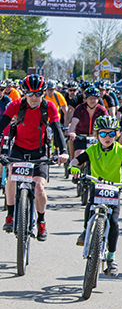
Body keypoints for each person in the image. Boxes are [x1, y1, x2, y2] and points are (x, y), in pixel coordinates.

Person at [0, 74, 69, 239]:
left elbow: (57, 129)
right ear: (23, 93)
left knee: (39, 188)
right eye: (30, 93)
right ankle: (10, 214)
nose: (34, 98)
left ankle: (41, 221)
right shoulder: (16, 105)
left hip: (39, 151)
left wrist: (64, 151)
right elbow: (2, 125)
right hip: (18, 149)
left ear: (43, 93)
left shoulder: (49, 107)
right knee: (11, 178)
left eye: (38, 94)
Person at [68, 115, 122, 275]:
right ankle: (85, 231)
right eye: (103, 134)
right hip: (97, 187)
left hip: (114, 190)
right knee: (90, 207)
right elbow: (76, 160)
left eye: (111, 134)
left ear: (116, 135)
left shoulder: (121, 151)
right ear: (97, 135)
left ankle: (111, 257)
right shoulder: (93, 149)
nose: (107, 137)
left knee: (114, 223)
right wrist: (74, 167)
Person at [68, 86, 109, 160]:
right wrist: (71, 132)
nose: (92, 100)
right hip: (81, 137)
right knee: (79, 156)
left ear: (98, 99)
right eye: (90, 98)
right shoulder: (80, 108)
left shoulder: (102, 110)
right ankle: (72, 162)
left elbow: (107, 123)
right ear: (86, 99)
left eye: (95, 98)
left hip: (96, 137)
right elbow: (74, 121)